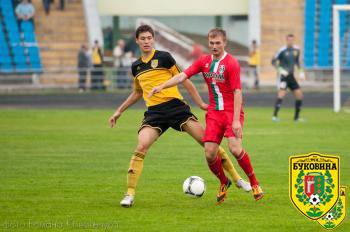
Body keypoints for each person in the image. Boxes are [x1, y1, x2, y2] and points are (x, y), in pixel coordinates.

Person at [109, 25, 251, 208]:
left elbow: (184, 78)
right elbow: (137, 92)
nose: (146, 41)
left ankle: (237, 179)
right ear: (137, 40)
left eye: (149, 38)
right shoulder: (136, 66)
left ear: (153, 39)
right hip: (155, 113)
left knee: (207, 142)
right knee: (141, 146)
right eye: (142, 38)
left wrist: (199, 103)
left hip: (176, 107)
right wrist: (119, 111)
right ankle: (129, 194)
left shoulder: (164, 57)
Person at [149, 28, 264, 201]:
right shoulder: (203, 61)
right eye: (212, 43)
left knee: (235, 148)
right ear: (208, 43)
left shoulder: (231, 63)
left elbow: (237, 92)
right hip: (214, 113)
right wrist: (162, 86)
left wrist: (236, 122)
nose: (215, 46)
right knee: (210, 153)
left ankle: (254, 183)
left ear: (224, 43)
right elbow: (182, 76)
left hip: (232, 112)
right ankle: (224, 182)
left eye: (218, 43)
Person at [271, 34, 305, 122]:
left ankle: (296, 118)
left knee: (299, 95)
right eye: (289, 40)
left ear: (293, 40)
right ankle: (274, 116)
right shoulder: (282, 50)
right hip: (284, 77)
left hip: (291, 77)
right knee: (281, 95)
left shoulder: (296, 50)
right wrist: (280, 70)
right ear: (286, 40)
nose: (290, 41)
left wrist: (301, 72)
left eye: (292, 40)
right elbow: (273, 61)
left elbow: (297, 62)